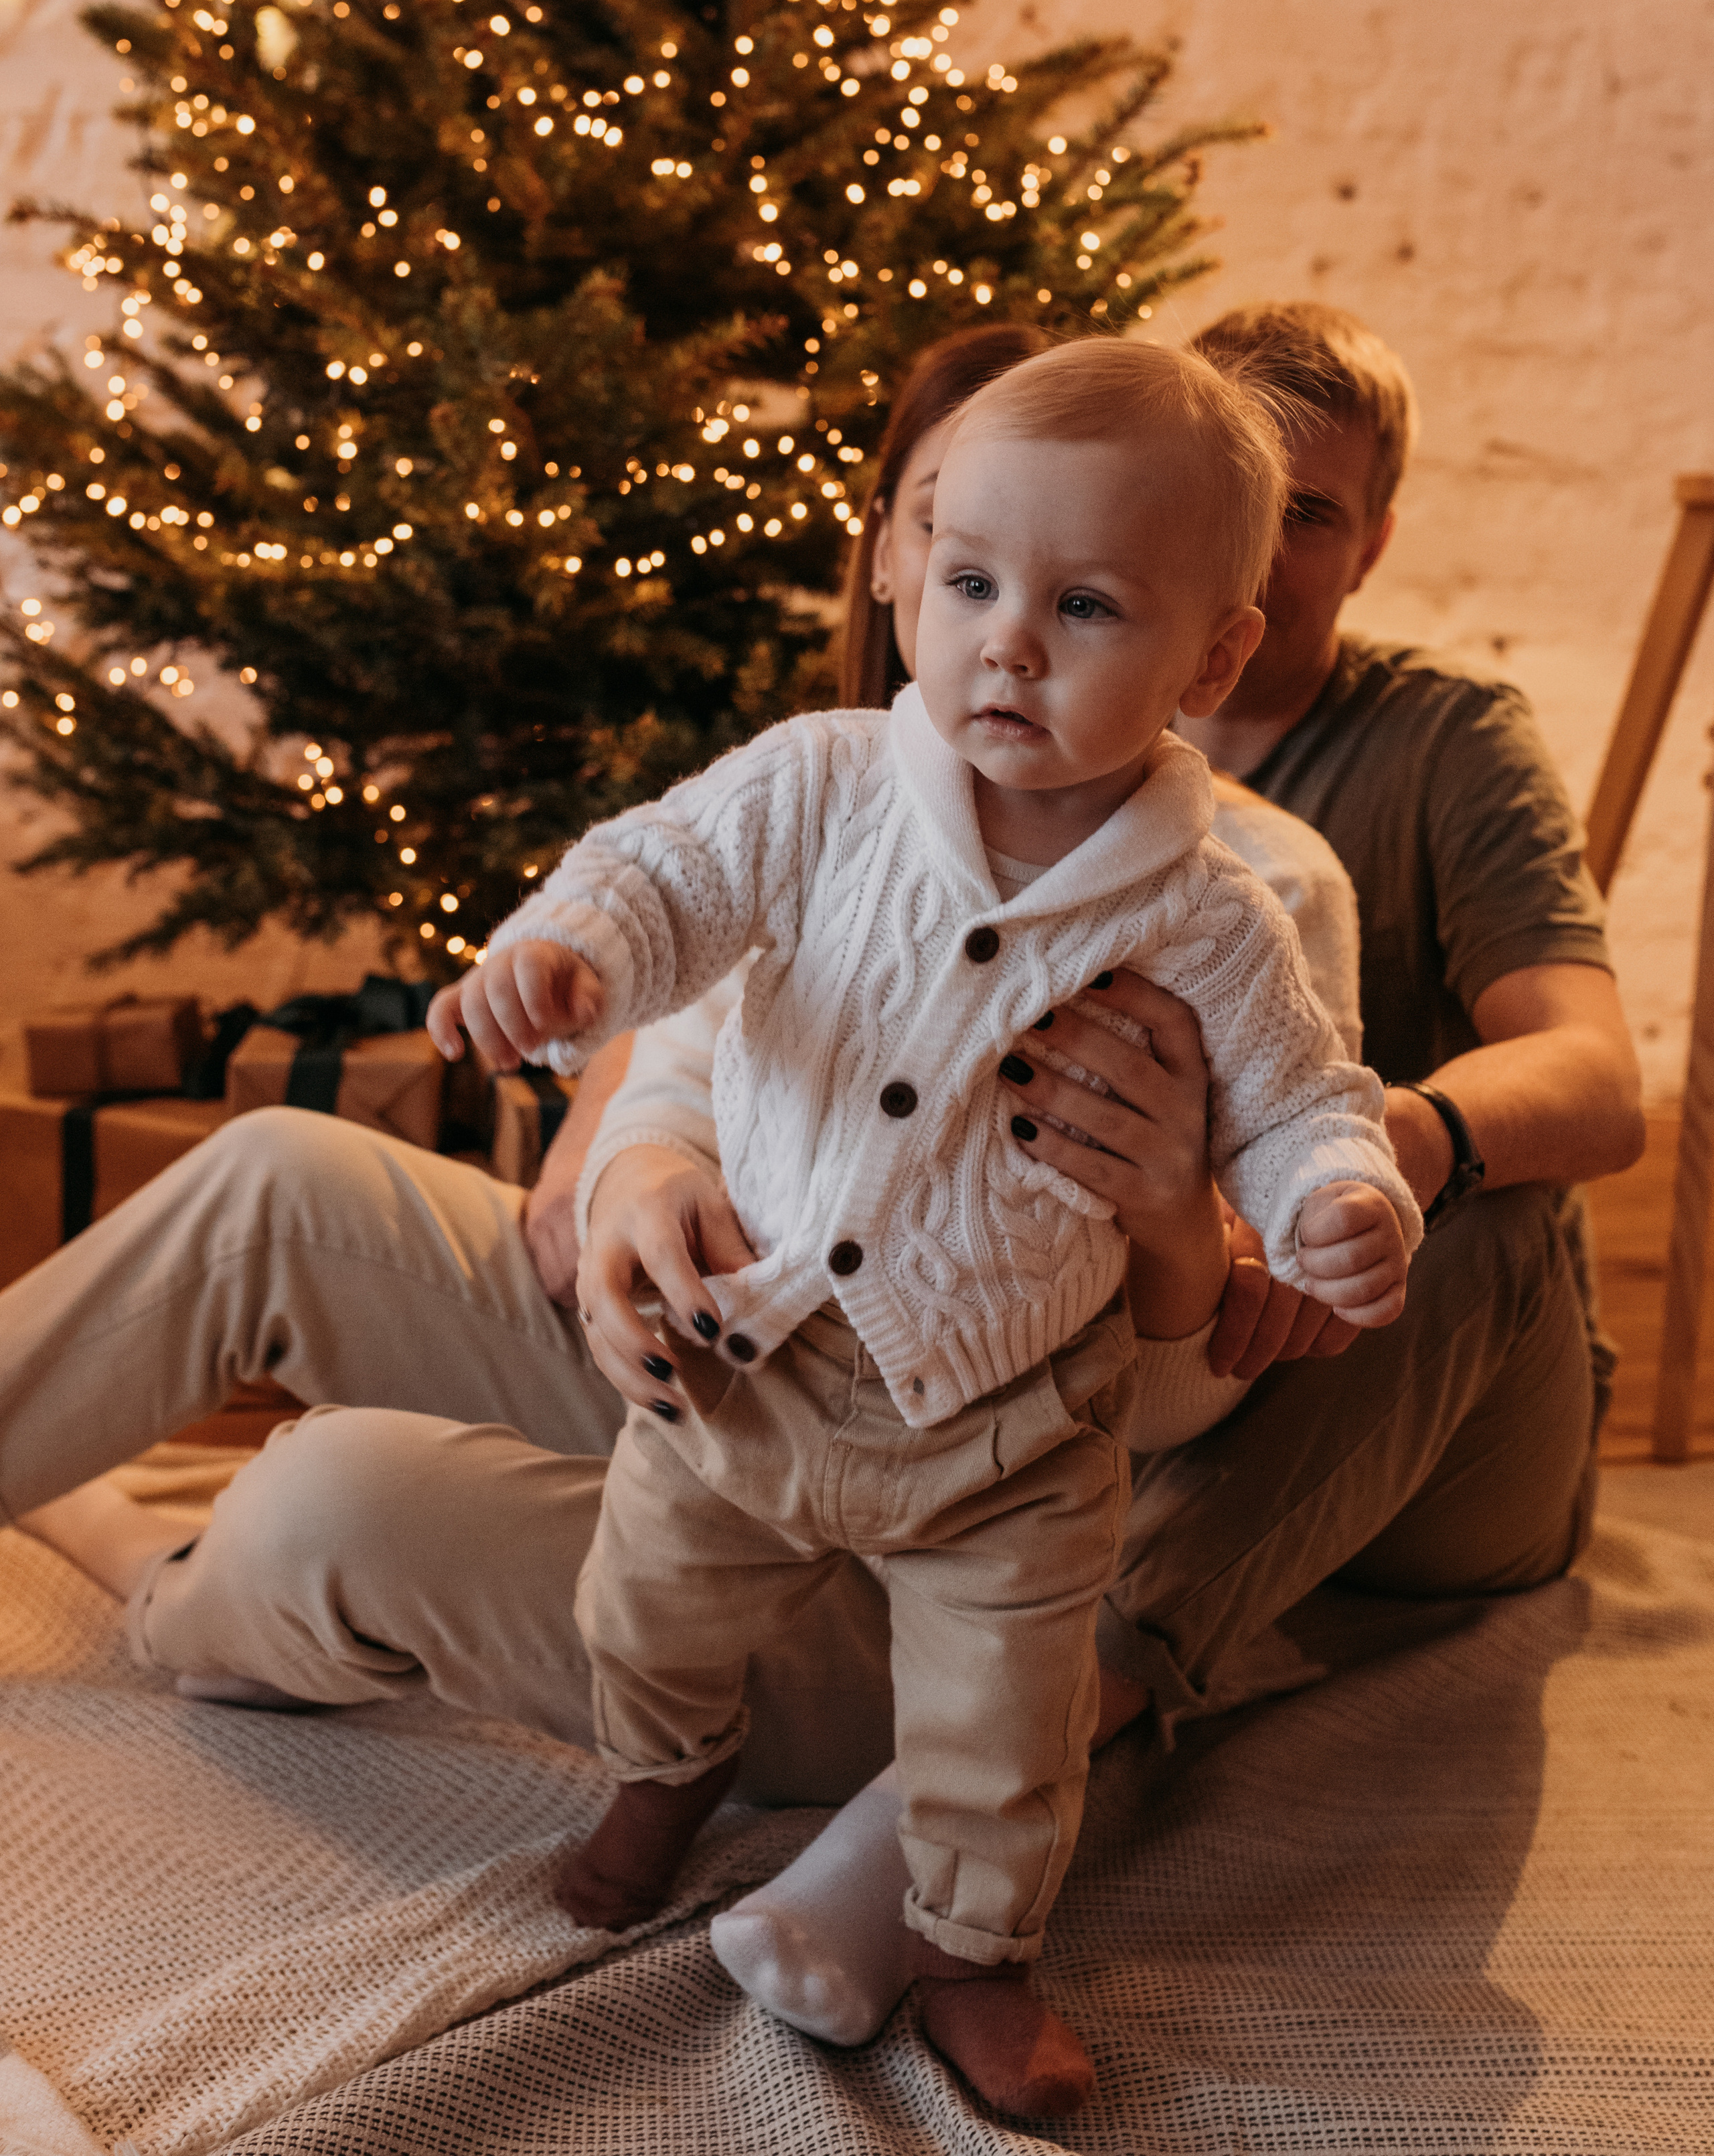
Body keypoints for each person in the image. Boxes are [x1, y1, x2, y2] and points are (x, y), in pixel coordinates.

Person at [426, 337, 1418, 2117]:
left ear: (1213, 654)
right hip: (755, 1351)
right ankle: (665, 1772)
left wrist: (1340, 1198)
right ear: (908, 569)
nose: (1006, 641)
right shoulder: (819, 784)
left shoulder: (1216, 915)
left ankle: (971, 1951)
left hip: (1013, 1418)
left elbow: (1297, 1098)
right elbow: (667, 876)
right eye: (968, 582)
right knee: (644, 1600)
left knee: (1001, 1737)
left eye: (1087, 606)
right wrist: (571, 951)